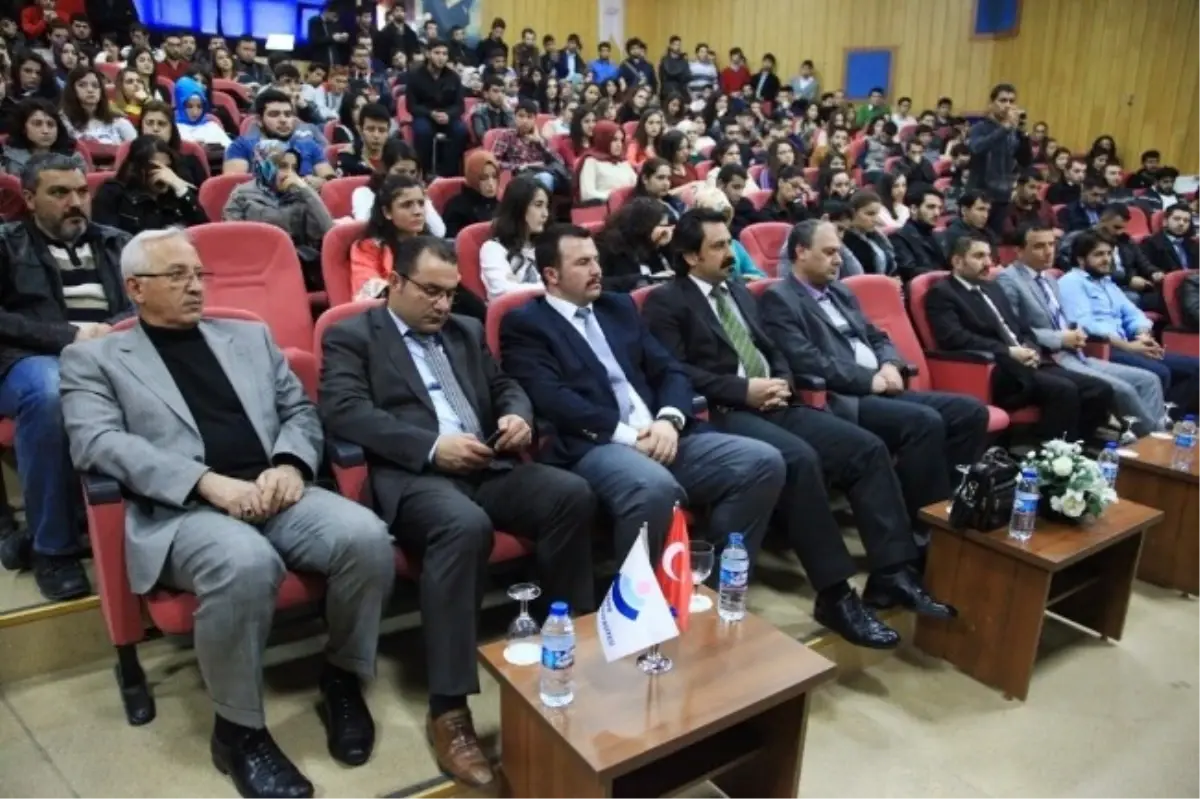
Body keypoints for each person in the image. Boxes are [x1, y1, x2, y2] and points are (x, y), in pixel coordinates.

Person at [59, 226, 394, 797]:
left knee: (365, 539)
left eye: (198, 274)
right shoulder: (94, 358)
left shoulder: (249, 337)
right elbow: (97, 442)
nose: (195, 286)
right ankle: (239, 732)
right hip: (182, 511)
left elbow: (299, 411)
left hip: (274, 489)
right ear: (136, 288)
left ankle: (342, 678)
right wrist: (204, 482)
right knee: (246, 563)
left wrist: (290, 464)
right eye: (177, 276)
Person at [319, 235, 595, 789]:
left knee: (571, 494)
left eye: (450, 293)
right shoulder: (352, 335)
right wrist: (429, 447)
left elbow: (506, 386)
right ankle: (448, 708)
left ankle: (570, 649)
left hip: (486, 464)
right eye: (430, 291)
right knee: (464, 526)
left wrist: (515, 416)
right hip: (414, 477)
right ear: (395, 281)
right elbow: (344, 411)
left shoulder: (465, 330)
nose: (443, 305)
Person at [645, 210, 955, 645]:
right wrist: (743, 390)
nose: (730, 252)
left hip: (775, 401)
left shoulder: (738, 291)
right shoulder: (666, 302)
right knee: (800, 459)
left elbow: (772, 348)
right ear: (690, 256)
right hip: (721, 411)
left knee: (865, 449)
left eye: (729, 242)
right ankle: (835, 594)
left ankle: (892, 572)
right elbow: (675, 372)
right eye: (718, 246)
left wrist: (781, 383)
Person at [500, 222, 785, 565]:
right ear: (552, 275)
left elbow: (669, 369)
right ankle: (637, 598)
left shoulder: (617, 308)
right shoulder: (526, 324)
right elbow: (554, 399)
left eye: (596, 259)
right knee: (655, 488)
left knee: (762, 463)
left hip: (662, 433)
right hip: (596, 444)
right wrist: (631, 437)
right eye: (583, 263)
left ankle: (708, 581)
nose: (597, 270)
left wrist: (669, 420)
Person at [0, 154, 129, 599]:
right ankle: (53, 550)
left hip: (112, 353)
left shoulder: (115, 242)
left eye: (81, 192)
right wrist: (68, 336)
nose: (75, 202)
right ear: (29, 198)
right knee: (51, 393)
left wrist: (112, 330)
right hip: (28, 359)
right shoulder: (7, 244)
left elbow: (141, 299)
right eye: (59, 193)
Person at [926, 234, 1114, 443]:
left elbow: (1021, 327)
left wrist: (1032, 349)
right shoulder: (942, 293)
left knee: (1098, 389)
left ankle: (1078, 447)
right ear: (957, 261)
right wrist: (1008, 352)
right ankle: (1050, 454)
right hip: (996, 369)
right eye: (979, 256)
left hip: (1027, 361)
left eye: (989, 256)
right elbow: (955, 338)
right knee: (1064, 390)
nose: (988, 263)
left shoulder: (992, 287)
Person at [997, 224, 1163, 435]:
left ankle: (1154, 436)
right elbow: (1013, 330)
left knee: (1149, 380)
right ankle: (1154, 440)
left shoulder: (1049, 278)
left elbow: (1061, 319)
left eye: (1051, 245)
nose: (1048, 252)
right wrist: (1060, 338)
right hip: (1048, 357)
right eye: (1039, 246)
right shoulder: (1009, 280)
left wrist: (1075, 333)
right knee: (1123, 390)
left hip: (1076, 352)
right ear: (1019, 251)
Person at [1059, 232, 1200, 410]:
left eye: (1109, 253)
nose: (1106, 259)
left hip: (1128, 344)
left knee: (1196, 367)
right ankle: (1155, 418)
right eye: (1099, 254)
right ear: (1081, 259)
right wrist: (1129, 347)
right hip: (1100, 349)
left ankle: (1169, 414)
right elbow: (1085, 326)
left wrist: (1142, 335)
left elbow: (1133, 313)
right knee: (1160, 372)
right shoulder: (1071, 282)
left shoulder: (1105, 282)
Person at [92, 135, 207, 235]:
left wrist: (182, 190)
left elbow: (203, 233)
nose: (164, 174)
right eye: (155, 167)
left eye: (168, 167)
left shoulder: (177, 193)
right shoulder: (112, 193)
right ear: (137, 169)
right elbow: (109, 242)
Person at [224, 89, 335, 187]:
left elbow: (330, 180)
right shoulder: (241, 146)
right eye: (274, 114)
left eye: (288, 114)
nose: (283, 120)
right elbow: (233, 186)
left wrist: (321, 182)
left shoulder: (309, 145)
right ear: (259, 120)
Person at [349, 173, 428, 300]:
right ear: (387, 212)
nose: (418, 211)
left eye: (421, 203)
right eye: (407, 205)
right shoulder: (369, 249)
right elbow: (367, 292)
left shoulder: (433, 246)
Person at [967, 83, 1025, 235]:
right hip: (980, 194)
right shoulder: (980, 128)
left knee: (995, 240)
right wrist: (1004, 129)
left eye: (1011, 101)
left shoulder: (1012, 131)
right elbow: (976, 148)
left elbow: (1025, 160)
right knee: (974, 239)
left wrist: (1022, 133)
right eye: (1003, 100)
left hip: (1003, 196)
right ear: (992, 103)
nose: (1008, 105)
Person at [479, 175, 549, 300]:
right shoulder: (493, 248)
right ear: (519, 207)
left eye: (546, 206)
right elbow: (503, 290)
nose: (545, 214)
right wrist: (551, 288)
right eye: (538, 205)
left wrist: (519, 285)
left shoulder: (546, 245)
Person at [407, 39, 467, 178]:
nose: (441, 57)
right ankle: (423, 172)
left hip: (447, 117)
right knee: (423, 131)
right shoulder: (415, 76)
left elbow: (460, 106)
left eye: (445, 54)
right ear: (428, 54)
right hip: (425, 116)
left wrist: (448, 115)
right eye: (437, 53)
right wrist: (430, 113)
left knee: (461, 131)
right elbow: (411, 106)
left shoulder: (453, 77)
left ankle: (448, 173)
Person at [594, 196, 673, 292]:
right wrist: (645, 279)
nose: (667, 231)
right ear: (644, 226)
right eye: (663, 226)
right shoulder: (607, 246)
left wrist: (668, 245)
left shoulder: (655, 247)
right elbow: (600, 283)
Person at [492, 97, 568, 194]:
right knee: (543, 179)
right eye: (521, 116)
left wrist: (539, 143)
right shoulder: (507, 136)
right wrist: (518, 167)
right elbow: (494, 161)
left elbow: (560, 161)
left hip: (541, 174)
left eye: (529, 117)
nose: (525, 121)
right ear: (514, 117)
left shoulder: (541, 139)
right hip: (520, 177)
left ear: (535, 120)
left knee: (548, 178)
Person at [2, 97, 86, 175]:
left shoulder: (73, 159)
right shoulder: (7, 158)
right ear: (23, 128)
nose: (45, 131)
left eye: (51, 124)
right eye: (37, 124)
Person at [137, 100, 209, 187]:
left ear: (172, 129)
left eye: (161, 124)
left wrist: (178, 184)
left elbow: (204, 193)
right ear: (141, 126)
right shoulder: (131, 159)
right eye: (149, 123)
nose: (155, 128)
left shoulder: (190, 161)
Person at [60, 66, 137, 146]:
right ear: (72, 90)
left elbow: (138, 149)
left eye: (95, 85)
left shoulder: (118, 121)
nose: (90, 90)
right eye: (82, 85)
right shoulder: (64, 122)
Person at [891, 184, 949, 283]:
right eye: (931, 207)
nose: (937, 213)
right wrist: (946, 275)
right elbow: (910, 271)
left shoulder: (939, 236)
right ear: (914, 209)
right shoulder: (899, 237)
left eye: (939, 208)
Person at [573, 119, 636, 204]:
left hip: (630, 205)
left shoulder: (623, 162)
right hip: (604, 207)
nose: (619, 145)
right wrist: (616, 197)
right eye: (614, 140)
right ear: (603, 139)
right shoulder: (591, 161)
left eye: (621, 140)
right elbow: (587, 194)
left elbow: (637, 186)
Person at [442, 149, 500, 238]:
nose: (491, 183)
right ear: (473, 178)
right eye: (484, 178)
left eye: (494, 176)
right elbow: (452, 241)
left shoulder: (502, 205)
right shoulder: (457, 208)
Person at [842, 191, 897, 277]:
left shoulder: (877, 237)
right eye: (870, 214)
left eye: (877, 214)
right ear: (853, 212)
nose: (875, 219)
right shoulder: (846, 240)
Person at [334, 102, 391, 178]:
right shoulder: (348, 159)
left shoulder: (397, 155)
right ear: (360, 130)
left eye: (382, 130)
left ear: (388, 132)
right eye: (370, 129)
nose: (376, 135)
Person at [172, 76, 231, 149]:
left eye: (199, 107)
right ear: (181, 105)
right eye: (189, 106)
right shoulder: (173, 129)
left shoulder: (212, 126)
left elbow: (231, 150)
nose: (195, 112)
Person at [1002, 171, 1056, 245]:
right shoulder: (1007, 209)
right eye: (1032, 187)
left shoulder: (1044, 207)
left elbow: (1057, 229)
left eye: (1038, 188)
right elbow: (1009, 236)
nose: (1035, 192)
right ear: (1019, 187)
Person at [1141, 205, 1198, 274]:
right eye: (1177, 219)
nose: (1181, 223)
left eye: (1186, 221)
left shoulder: (1194, 244)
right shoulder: (1151, 243)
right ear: (1165, 222)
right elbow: (1148, 270)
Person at [941, 190, 996, 257]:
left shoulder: (988, 233)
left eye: (988, 210)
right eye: (981, 209)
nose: (985, 215)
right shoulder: (955, 235)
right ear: (964, 210)